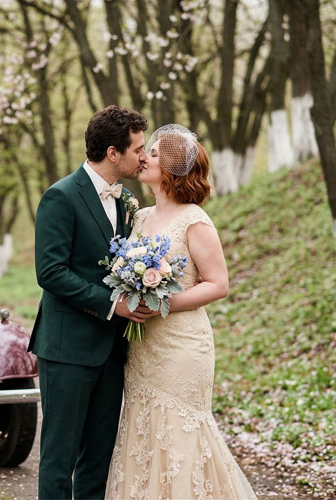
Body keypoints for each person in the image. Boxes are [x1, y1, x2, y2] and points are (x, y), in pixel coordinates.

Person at [104, 124, 257, 499]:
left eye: (153, 154)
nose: (143, 157)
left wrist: (161, 303)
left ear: (172, 169)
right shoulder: (139, 218)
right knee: (144, 432)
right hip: (144, 348)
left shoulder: (195, 220)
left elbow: (217, 284)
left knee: (179, 433)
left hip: (182, 347)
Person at [29, 105, 157, 500]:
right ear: (113, 152)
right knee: (58, 457)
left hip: (112, 351)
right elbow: (49, 272)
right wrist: (112, 304)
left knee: (98, 458)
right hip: (67, 349)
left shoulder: (126, 202)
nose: (144, 157)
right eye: (138, 149)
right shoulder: (60, 196)